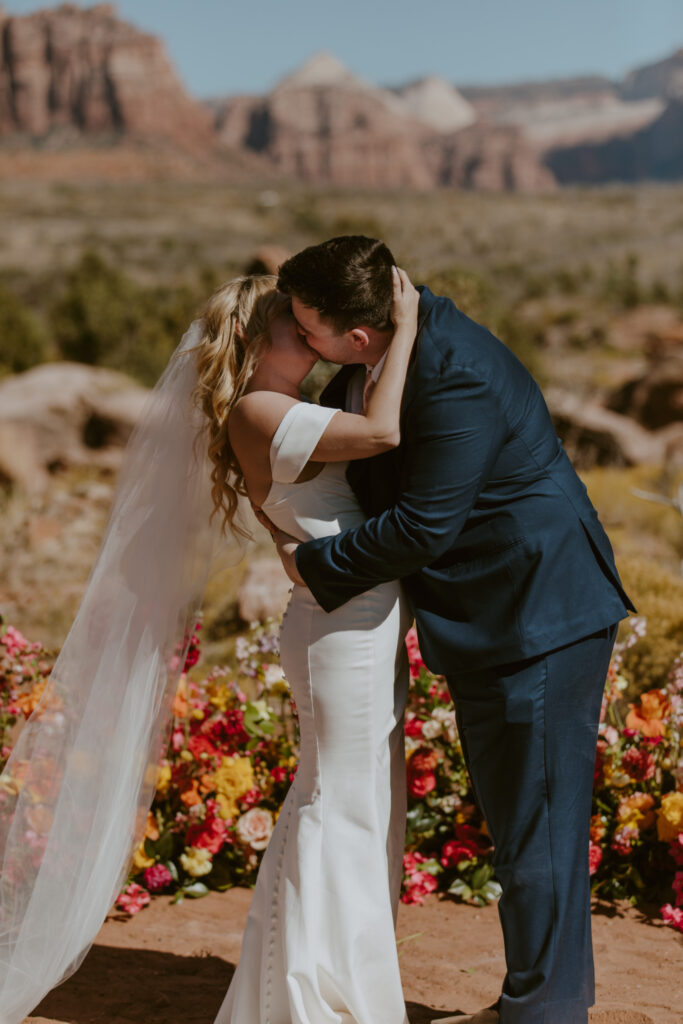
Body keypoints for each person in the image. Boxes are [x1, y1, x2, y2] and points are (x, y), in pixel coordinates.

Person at [0, 268, 418, 1024]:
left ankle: (331, 985)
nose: (313, 332)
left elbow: (298, 538)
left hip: (351, 620)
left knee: (357, 804)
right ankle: (306, 997)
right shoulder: (262, 411)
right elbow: (385, 433)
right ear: (259, 340)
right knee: (335, 806)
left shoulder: (286, 407)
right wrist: (409, 329)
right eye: (297, 324)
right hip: (338, 633)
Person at [272, 235, 636, 1024]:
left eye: (307, 330)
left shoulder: (452, 372)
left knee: (536, 826)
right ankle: (540, 1002)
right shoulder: (388, 356)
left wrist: (311, 565)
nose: (300, 341)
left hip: (535, 614)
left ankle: (543, 1012)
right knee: (524, 821)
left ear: (358, 334)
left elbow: (421, 527)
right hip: (500, 611)